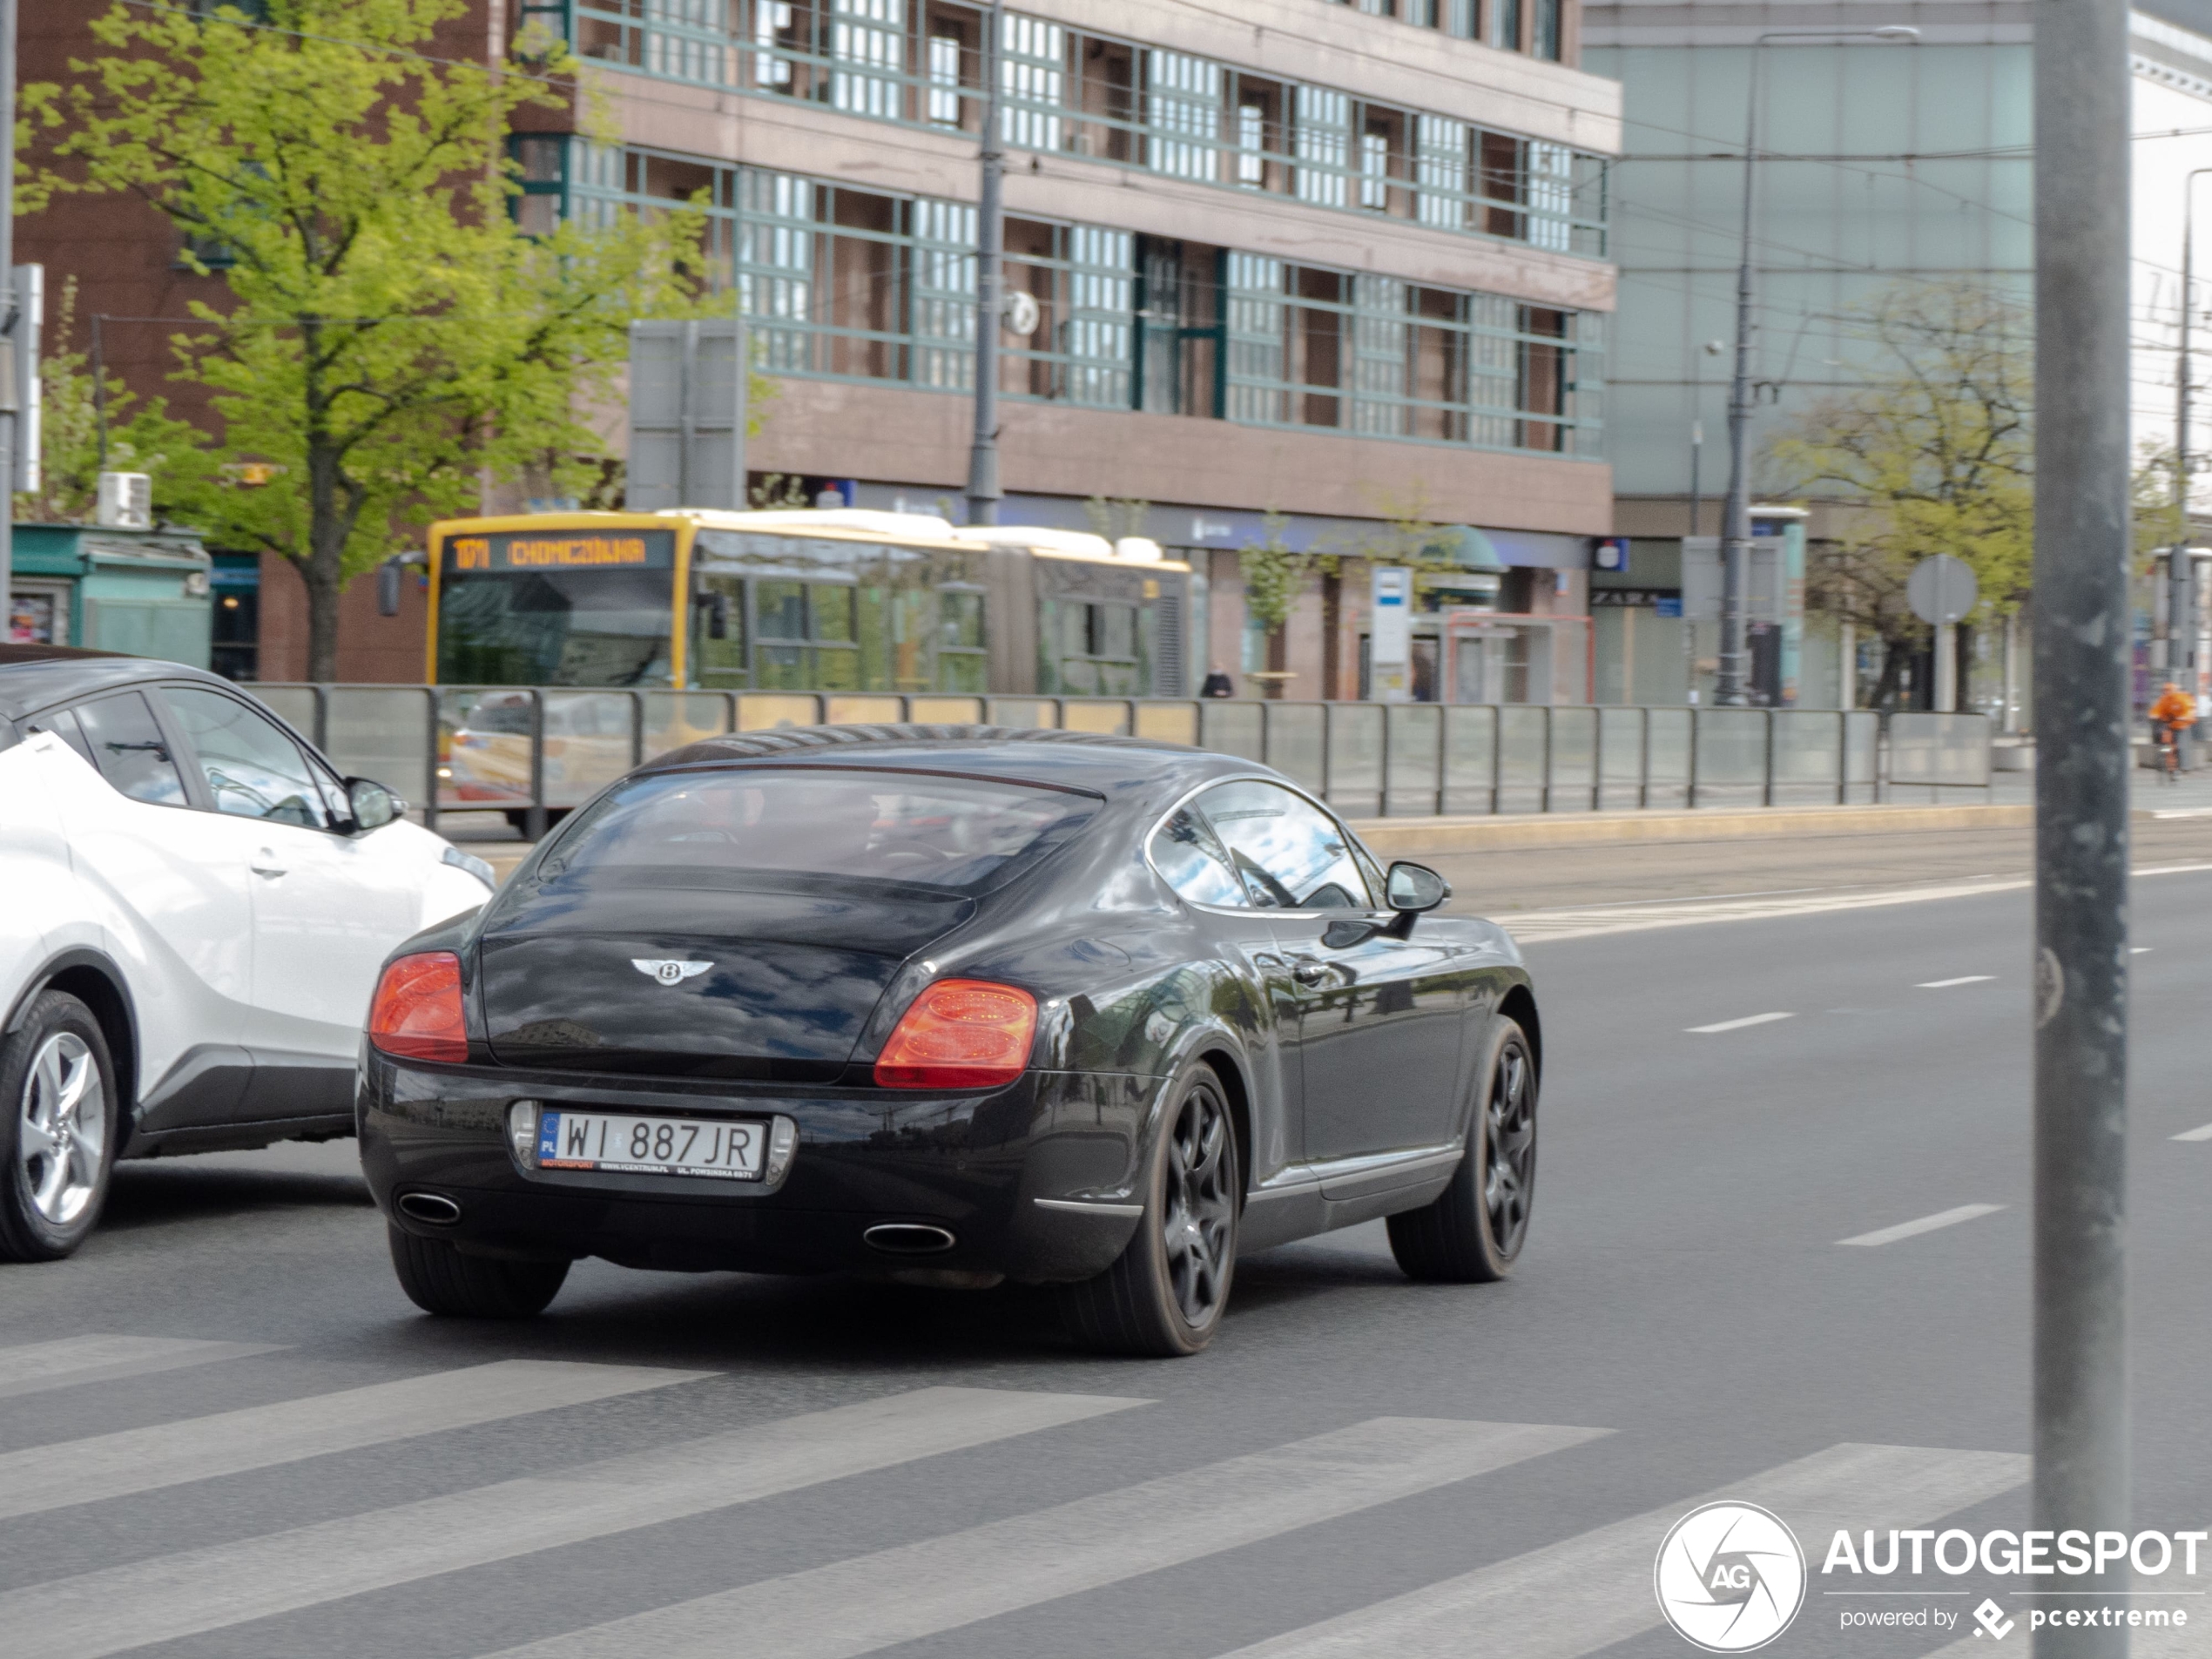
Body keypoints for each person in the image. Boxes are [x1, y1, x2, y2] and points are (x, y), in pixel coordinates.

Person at [2149, 680, 2196, 782]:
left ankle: (2177, 769)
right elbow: (2156, 709)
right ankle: (2163, 751)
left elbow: (2188, 711)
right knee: (2162, 737)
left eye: (2168, 690)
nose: (2166, 692)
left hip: (2180, 725)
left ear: (2174, 690)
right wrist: (2153, 715)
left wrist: (2183, 717)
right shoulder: (2163, 699)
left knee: (2178, 747)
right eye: (2164, 690)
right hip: (2168, 724)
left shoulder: (2182, 699)